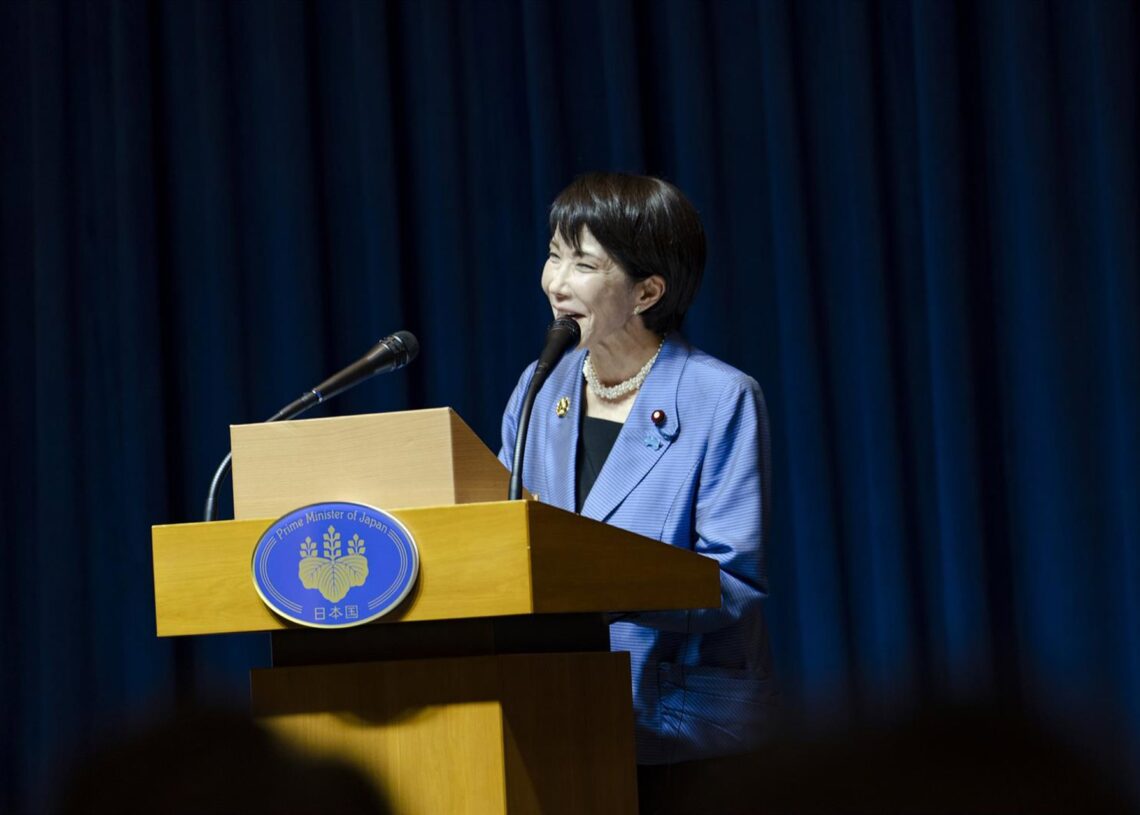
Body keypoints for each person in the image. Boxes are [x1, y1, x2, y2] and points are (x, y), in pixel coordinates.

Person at [498, 172, 774, 803]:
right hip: (560, 719)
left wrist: (593, 591)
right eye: (553, 255)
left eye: (584, 263)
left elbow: (734, 581)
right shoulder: (539, 391)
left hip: (682, 728)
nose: (557, 282)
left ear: (648, 290)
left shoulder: (720, 397)